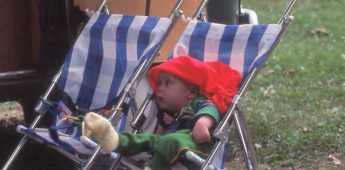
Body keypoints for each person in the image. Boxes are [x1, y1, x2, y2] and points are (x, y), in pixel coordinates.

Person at [82, 56, 241, 170]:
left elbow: (210, 109)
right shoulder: (178, 113)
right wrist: (163, 129)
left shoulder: (199, 102)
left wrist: (202, 123)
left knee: (169, 141)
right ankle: (115, 139)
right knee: (144, 139)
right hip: (175, 141)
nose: (160, 88)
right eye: (159, 84)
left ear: (191, 92)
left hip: (197, 144)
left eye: (168, 83)